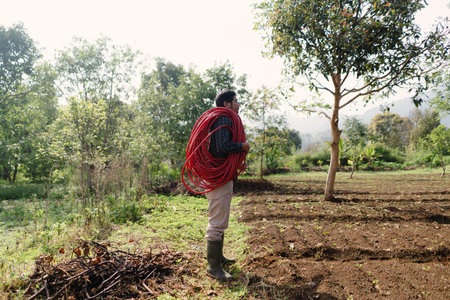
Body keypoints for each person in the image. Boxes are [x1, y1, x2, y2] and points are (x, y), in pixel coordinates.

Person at [205, 89, 249, 281]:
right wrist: (242, 146)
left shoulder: (221, 120)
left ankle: (219, 258)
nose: (238, 104)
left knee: (221, 219)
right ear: (227, 104)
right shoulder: (224, 120)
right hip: (218, 176)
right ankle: (213, 267)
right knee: (216, 222)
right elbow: (222, 147)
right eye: (236, 101)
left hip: (222, 176)